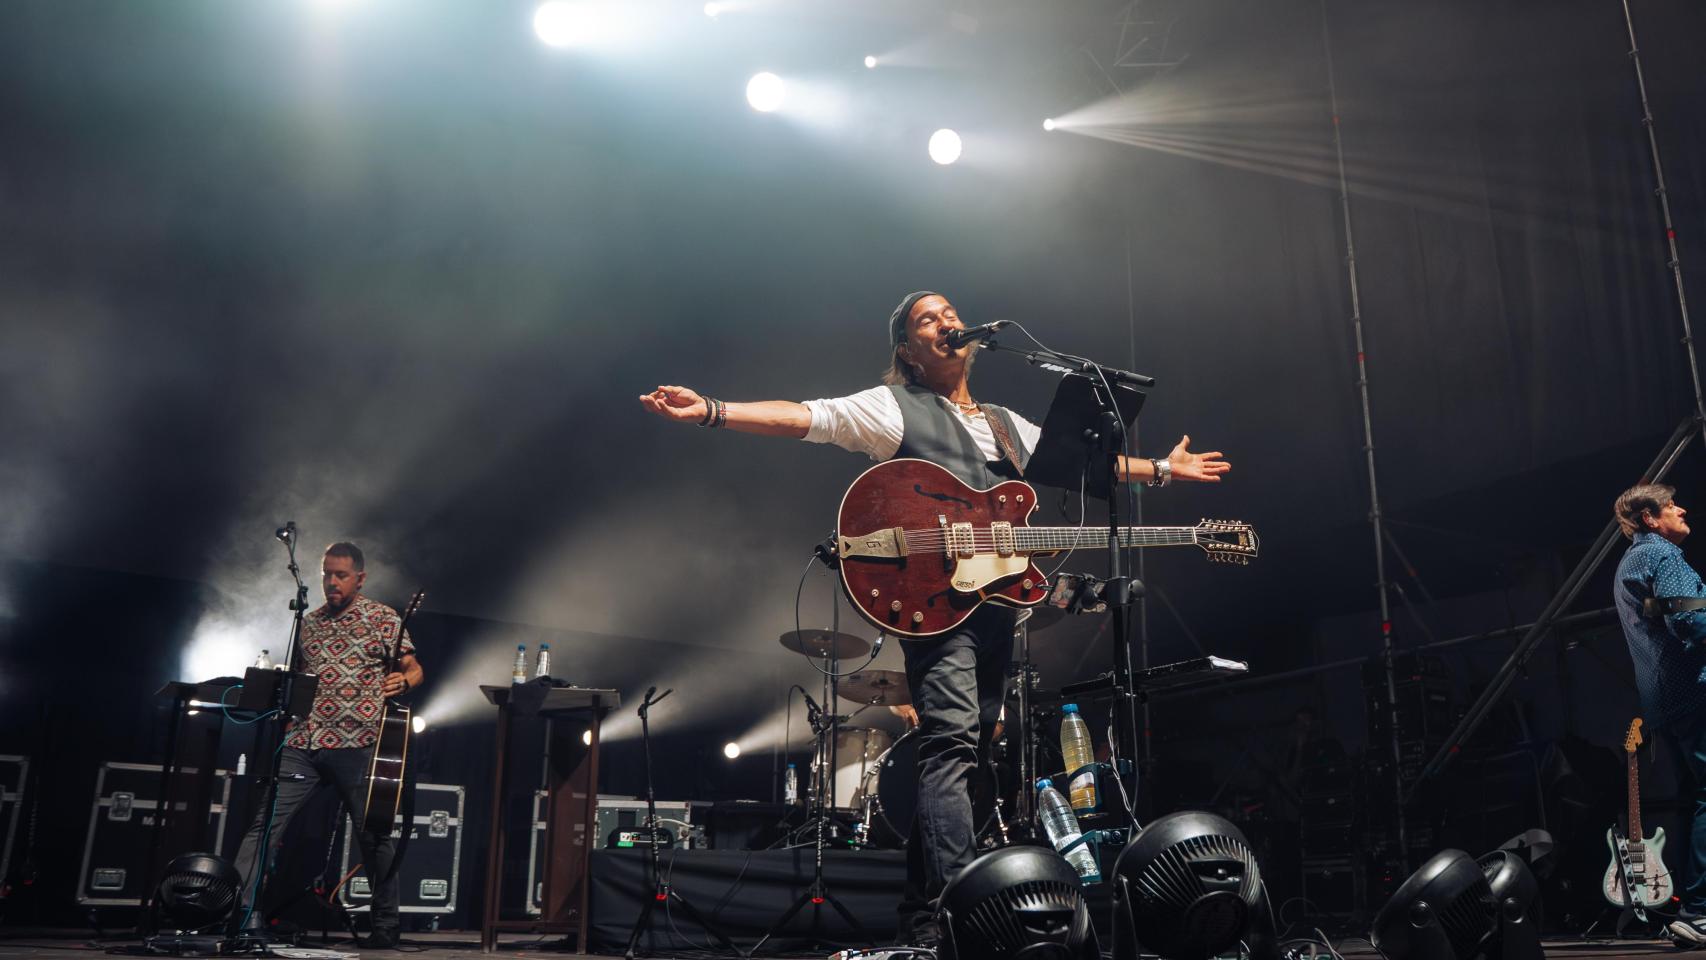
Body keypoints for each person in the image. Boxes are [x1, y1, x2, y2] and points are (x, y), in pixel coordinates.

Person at [641, 290, 1230, 950]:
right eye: (929, 318)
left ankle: (924, 915)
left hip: (995, 603)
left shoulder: (1004, 423)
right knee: (950, 742)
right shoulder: (894, 406)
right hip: (933, 598)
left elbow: (1085, 466)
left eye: (951, 313)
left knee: (973, 751)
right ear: (908, 350)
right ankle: (966, 907)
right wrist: (713, 410)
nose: (948, 321)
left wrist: (1163, 470)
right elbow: (808, 416)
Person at [231, 541, 425, 949]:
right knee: (265, 825)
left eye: (341, 575)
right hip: (305, 740)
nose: (332, 582)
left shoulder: (383, 618)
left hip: (359, 741)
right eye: (327, 575)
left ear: (360, 578)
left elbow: (414, 668)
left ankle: (386, 924)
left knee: (373, 835)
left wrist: (404, 680)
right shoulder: (309, 623)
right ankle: (241, 914)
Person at [1613, 484, 1706, 946]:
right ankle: (1700, 910)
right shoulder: (1663, 556)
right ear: (1649, 518)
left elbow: (1664, 613)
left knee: (1693, 800)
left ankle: (1690, 906)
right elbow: (1687, 619)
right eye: (1671, 506)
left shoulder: (1628, 565)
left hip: (1663, 703)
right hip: (1694, 692)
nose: (1681, 509)